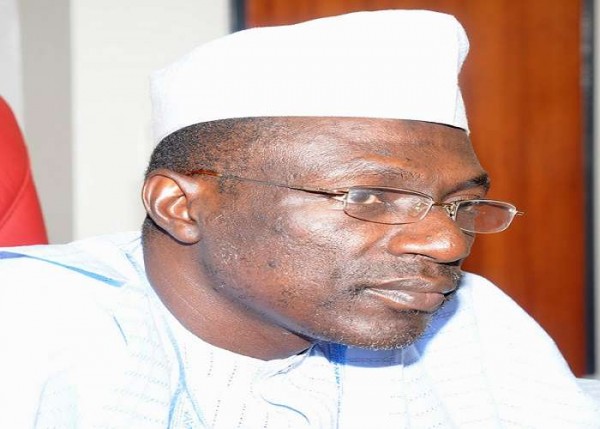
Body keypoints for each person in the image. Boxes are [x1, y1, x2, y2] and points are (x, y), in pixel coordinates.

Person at [0, 9, 598, 428]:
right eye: (371, 197)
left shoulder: (472, 318)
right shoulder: (27, 325)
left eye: (460, 204)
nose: (447, 242)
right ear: (180, 205)